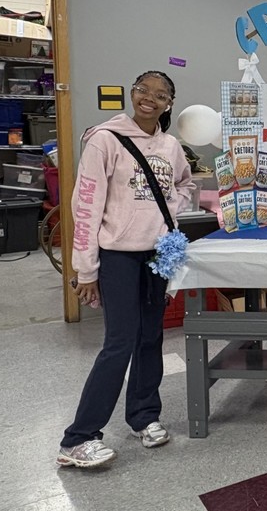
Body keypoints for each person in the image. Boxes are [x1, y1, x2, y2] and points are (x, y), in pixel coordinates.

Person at [58, 71, 194, 468]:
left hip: (157, 256)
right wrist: (86, 269)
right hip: (117, 256)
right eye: (143, 90)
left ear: (169, 103)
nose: (150, 98)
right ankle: (78, 438)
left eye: (160, 94)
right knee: (119, 342)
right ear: (132, 94)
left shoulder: (170, 146)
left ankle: (144, 416)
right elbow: (85, 208)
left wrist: (171, 208)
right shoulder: (105, 139)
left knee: (150, 337)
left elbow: (185, 185)